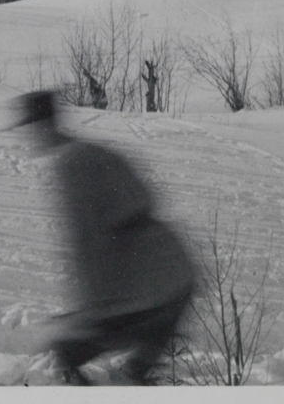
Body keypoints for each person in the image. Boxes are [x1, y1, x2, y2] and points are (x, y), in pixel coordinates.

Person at [13, 90, 196, 385]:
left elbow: (87, 243)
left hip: (149, 282)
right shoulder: (91, 152)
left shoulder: (71, 165)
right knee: (132, 368)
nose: (29, 138)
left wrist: (89, 311)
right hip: (176, 273)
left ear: (44, 125)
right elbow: (144, 198)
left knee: (65, 356)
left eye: (30, 128)